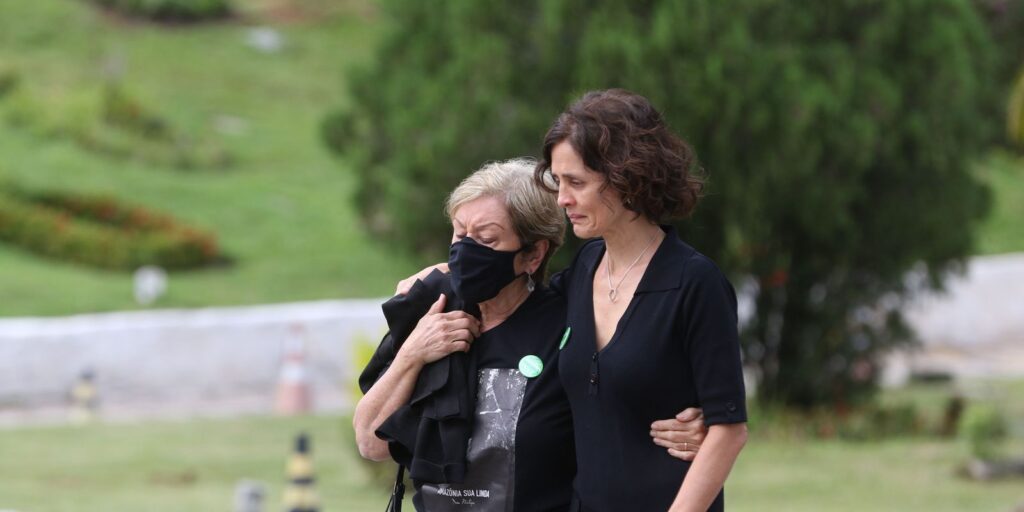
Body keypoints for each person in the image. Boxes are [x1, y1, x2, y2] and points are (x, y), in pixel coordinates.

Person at [354, 158, 708, 512]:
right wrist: (414, 353)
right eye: (460, 234)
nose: (464, 251)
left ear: (533, 255)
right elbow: (372, 443)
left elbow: (622, 409)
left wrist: (693, 426)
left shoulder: (570, 326)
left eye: (486, 238)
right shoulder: (432, 310)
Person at [537, 89, 748, 512]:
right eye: (558, 182)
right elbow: (511, 302)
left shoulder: (695, 283)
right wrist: (436, 278)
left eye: (576, 183)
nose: (562, 199)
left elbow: (728, 430)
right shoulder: (583, 269)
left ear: (627, 178)